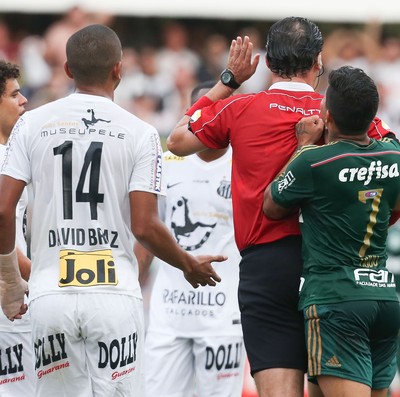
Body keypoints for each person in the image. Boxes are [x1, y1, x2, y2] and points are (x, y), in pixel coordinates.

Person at [167, 17, 396, 397]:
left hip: (268, 269)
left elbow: (177, 141)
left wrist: (228, 80)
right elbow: (388, 160)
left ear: (268, 62)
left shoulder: (240, 107)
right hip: (335, 268)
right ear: (319, 62)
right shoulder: (338, 112)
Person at [0, 24, 225, 397]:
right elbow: (145, 226)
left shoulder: (31, 125)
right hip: (114, 294)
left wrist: (10, 282)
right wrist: (188, 263)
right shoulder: (141, 132)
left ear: (68, 70)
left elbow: (4, 211)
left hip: (50, 294)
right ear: (119, 69)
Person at [263, 65, 400, 397]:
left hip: (336, 301)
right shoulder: (395, 155)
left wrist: (304, 145)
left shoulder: (314, 162)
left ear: (327, 115)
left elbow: (271, 205)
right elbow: (393, 209)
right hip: (384, 299)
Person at [135, 80, 245, 397]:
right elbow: (147, 231)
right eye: (203, 115)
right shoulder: (167, 163)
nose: (211, 122)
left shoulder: (245, 165)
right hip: (169, 311)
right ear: (190, 116)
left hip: (223, 313)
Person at [0, 61, 35, 397]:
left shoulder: (12, 154)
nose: (23, 100)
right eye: (14, 94)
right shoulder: (3, 161)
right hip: (9, 301)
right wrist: (39, 275)